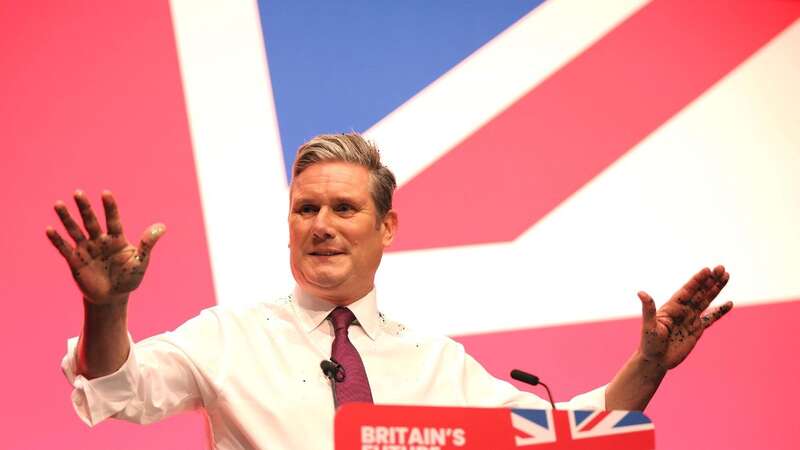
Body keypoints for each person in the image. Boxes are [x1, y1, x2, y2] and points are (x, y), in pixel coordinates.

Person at [48, 133, 732, 450]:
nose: (321, 226)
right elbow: (117, 388)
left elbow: (564, 438)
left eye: (343, 209)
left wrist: (646, 366)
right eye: (305, 209)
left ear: (386, 227)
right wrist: (106, 307)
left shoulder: (439, 364)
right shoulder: (228, 336)